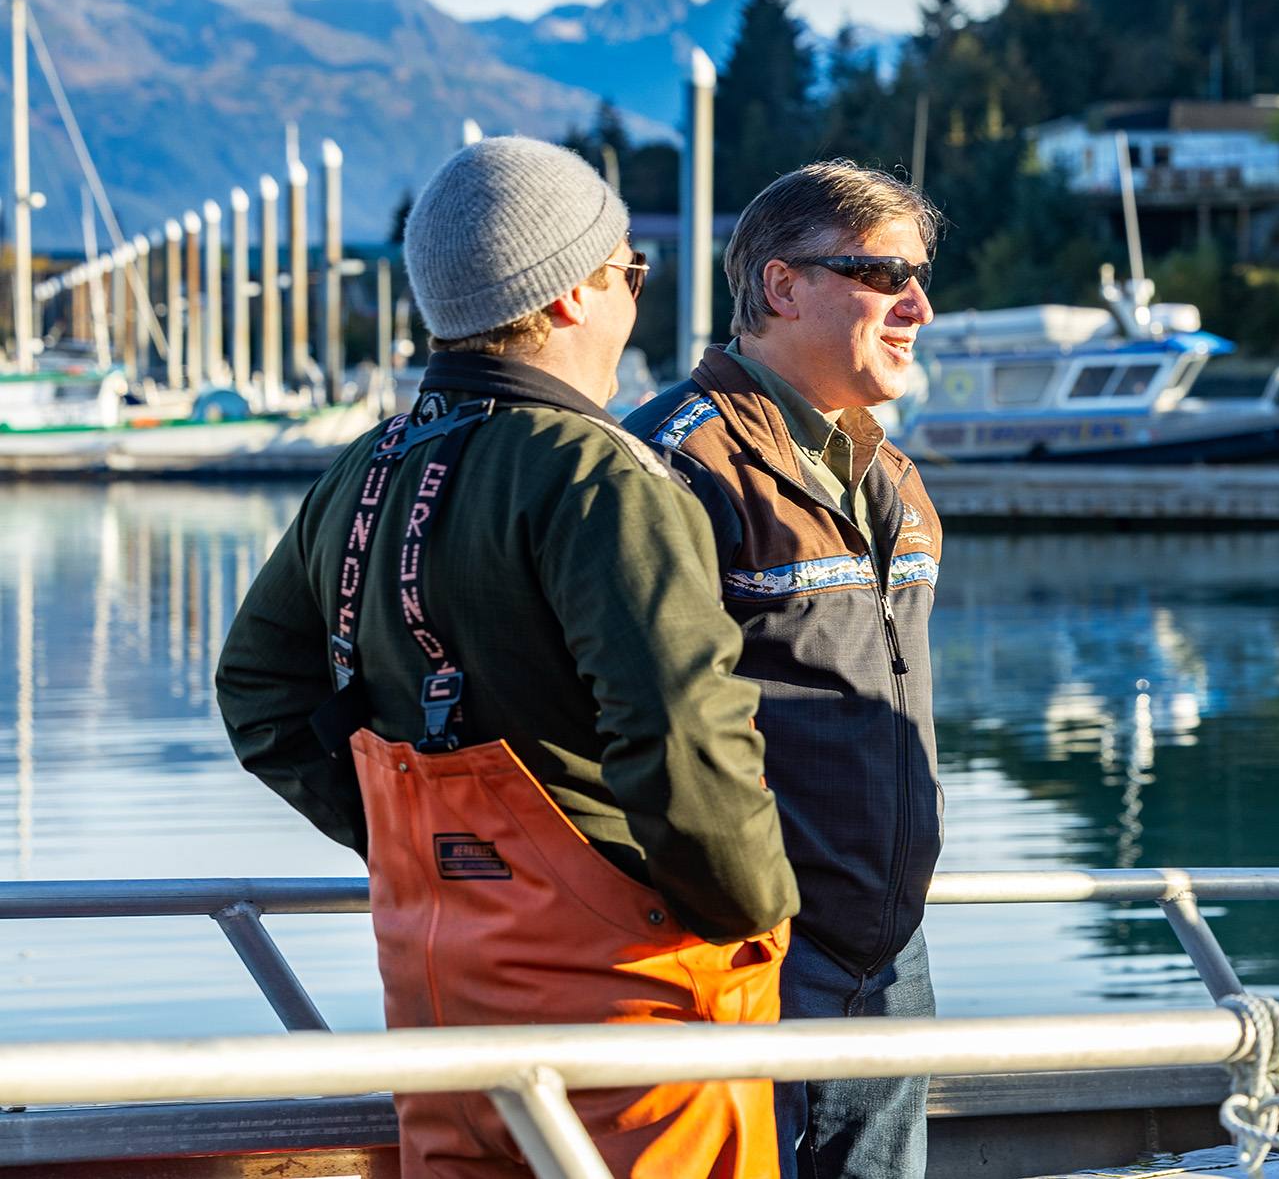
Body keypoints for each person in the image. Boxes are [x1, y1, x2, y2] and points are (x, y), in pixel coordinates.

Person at [216, 137, 798, 1176]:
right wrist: (752, 904)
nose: (636, 295)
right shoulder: (599, 477)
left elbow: (259, 692)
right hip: (628, 1016)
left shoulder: (367, 466)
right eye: (633, 270)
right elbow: (679, 726)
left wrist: (427, 851)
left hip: (441, 1003)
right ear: (574, 294)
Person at [624, 160, 943, 1179]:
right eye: (885, 275)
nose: (919, 307)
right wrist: (754, 911)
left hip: (888, 954)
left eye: (921, 276)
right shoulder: (674, 467)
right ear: (781, 285)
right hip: (750, 955)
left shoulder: (891, 474)